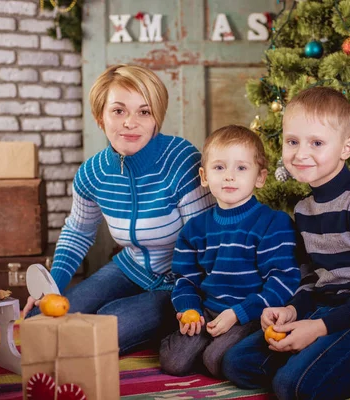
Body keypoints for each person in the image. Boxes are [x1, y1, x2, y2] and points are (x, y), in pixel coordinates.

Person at [222, 87, 350, 400]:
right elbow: (312, 279)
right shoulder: (304, 210)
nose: (300, 153)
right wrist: (292, 311)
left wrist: (319, 328)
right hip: (324, 308)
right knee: (236, 364)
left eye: (317, 143)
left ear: (346, 148)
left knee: (291, 388)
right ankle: (316, 360)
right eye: (292, 141)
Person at [22, 64, 214, 355]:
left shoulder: (182, 160)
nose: (130, 123)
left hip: (180, 282)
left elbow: (206, 239)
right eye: (119, 111)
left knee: (96, 333)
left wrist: (193, 298)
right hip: (130, 266)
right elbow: (77, 231)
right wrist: (52, 288)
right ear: (101, 117)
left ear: (156, 119)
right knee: (41, 322)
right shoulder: (93, 173)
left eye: (144, 112)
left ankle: (156, 323)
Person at [159, 125, 301, 378]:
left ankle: (238, 349)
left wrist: (239, 313)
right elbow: (185, 279)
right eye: (219, 167)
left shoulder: (273, 223)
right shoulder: (194, 229)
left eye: (241, 168)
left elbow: (283, 280)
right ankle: (198, 343)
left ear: (260, 177)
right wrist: (189, 309)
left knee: (215, 360)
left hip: (251, 314)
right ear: (204, 176)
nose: (229, 176)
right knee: (174, 362)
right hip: (208, 311)